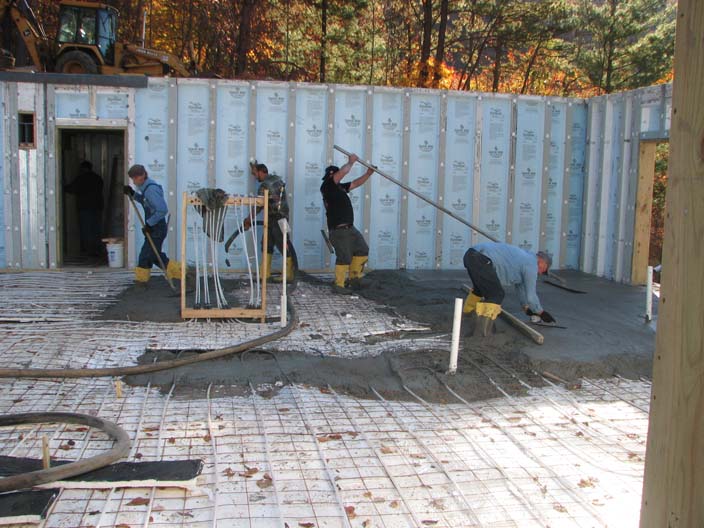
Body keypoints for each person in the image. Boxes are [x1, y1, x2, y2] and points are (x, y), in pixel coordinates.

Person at [463, 242, 555, 336]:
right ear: (542, 262)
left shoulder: (526, 258)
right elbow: (531, 296)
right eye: (544, 270)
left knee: (479, 289)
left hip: (471, 255)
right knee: (496, 294)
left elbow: (521, 288)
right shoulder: (532, 265)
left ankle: (467, 314)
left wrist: (526, 308)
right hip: (481, 258)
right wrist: (541, 312)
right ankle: (481, 331)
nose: (541, 273)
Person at [320, 153, 375, 293]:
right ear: (330, 176)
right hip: (339, 231)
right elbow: (343, 172)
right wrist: (351, 162)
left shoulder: (340, 187)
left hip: (349, 228)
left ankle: (355, 278)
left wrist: (368, 174)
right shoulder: (327, 186)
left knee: (362, 249)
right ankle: (339, 285)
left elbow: (356, 183)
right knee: (344, 257)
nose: (335, 177)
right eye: (334, 175)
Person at [123, 164, 181, 284]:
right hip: (154, 228)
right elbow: (146, 202)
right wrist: (133, 194)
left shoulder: (151, 189)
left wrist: (149, 224)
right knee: (150, 254)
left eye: (136, 177)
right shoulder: (145, 188)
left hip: (157, 228)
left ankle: (182, 273)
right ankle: (142, 280)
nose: (134, 181)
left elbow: (162, 210)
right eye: (133, 178)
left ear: (143, 175)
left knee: (148, 254)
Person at [243, 162, 298, 282]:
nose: (254, 177)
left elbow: (258, 206)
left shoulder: (264, 186)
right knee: (270, 243)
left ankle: (287, 274)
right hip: (280, 218)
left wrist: (248, 220)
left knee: (282, 244)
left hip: (276, 218)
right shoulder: (277, 180)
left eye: (255, 174)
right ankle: (265, 273)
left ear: (261, 171)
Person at [64, 160, 103, 256]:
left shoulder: (81, 178)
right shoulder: (98, 178)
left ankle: (89, 251)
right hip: (97, 207)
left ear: (83, 169)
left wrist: (62, 186)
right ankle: (98, 250)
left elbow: (71, 189)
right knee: (96, 229)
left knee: (86, 230)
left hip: (85, 208)